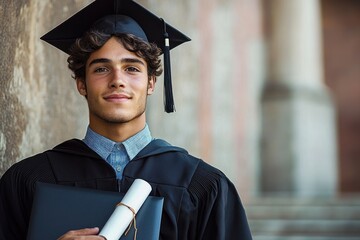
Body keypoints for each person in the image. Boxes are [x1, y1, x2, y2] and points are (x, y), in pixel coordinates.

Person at [0, 0, 252, 239]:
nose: (117, 79)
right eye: (101, 68)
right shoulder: (28, 181)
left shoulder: (203, 186)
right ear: (81, 84)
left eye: (132, 68)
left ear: (151, 83)